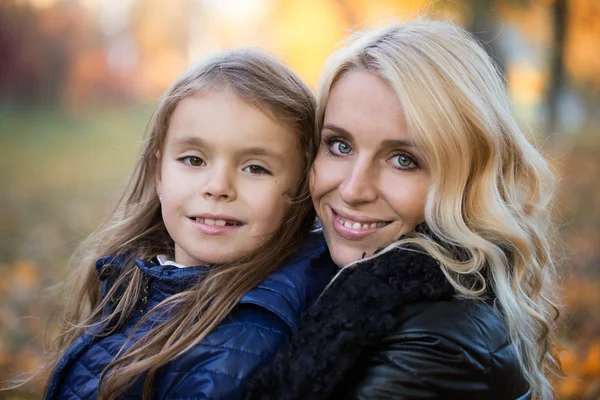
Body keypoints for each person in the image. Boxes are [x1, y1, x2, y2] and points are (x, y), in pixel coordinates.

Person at [246, 18, 560, 400]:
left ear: (465, 179)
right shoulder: (323, 278)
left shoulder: (435, 345)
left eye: (403, 159)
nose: (353, 189)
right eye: (340, 145)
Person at [41, 49, 336, 399]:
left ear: (299, 189)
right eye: (194, 159)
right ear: (159, 174)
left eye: (255, 167)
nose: (218, 187)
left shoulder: (243, 347)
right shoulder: (137, 279)